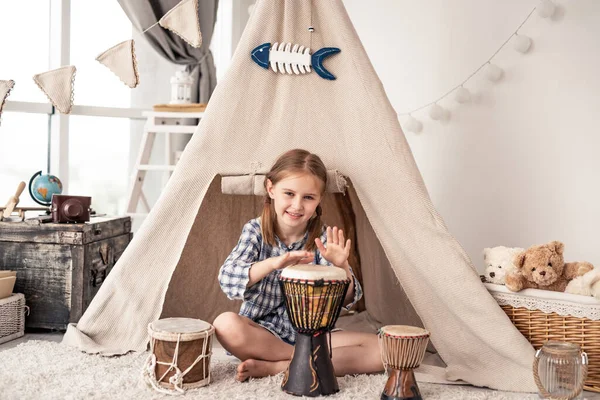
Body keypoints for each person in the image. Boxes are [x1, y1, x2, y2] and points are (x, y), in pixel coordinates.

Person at [213, 149, 383, 381]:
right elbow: (228, 278)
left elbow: (346, 300)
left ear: (319, 200)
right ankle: (306, 360)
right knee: (225, 324)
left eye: (308, 197)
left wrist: (341, 267)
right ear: (271, 189)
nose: (297, 205)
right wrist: (274, 263)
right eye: (289, 193)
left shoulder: (322, 239)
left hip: (315, 334)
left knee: (384, 351)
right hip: (264, 333)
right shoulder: (255, 231)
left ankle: (279, 367)